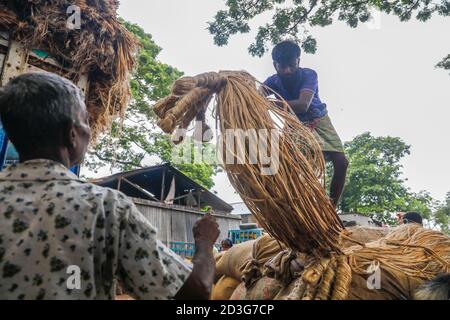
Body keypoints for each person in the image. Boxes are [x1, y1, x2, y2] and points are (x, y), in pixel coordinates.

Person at [0, 72, 220, 300]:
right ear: (72, 134)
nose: (90, 129)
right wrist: (204, 242)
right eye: (86, 120)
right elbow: (195, 293)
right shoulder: (106, 208)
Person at [261, 40, 349, 207]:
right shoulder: (271, 82)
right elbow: (255, 98)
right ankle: (301, 207)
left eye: (292, 65)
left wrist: (270, 105)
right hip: (294, 127)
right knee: (297, 169)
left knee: (342, 163)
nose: (287, 71)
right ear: (275, 65)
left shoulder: (309, 75)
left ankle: (331, 208)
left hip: (319, 120)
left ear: (298, 62)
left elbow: (303, 105)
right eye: (282, 67)